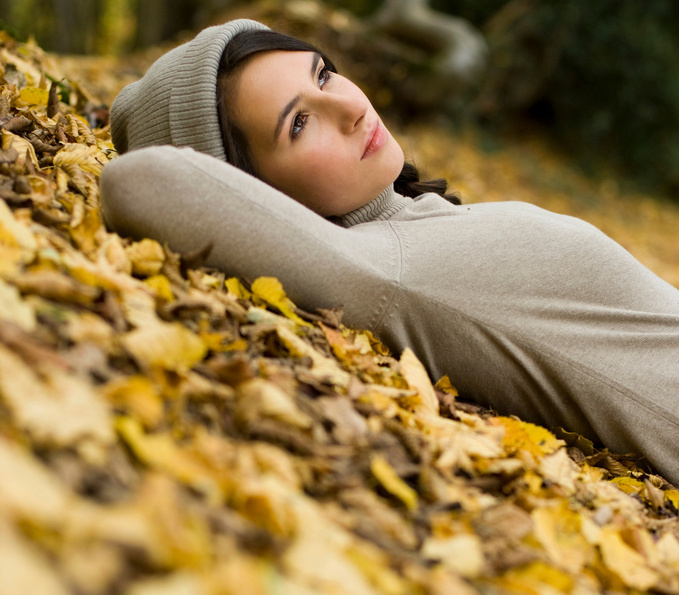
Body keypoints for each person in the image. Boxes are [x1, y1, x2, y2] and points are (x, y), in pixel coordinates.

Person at [100, 19, 679, 486]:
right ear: (253, 190)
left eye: (323, 76)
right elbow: (140, 180)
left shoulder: (416, 227)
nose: (349, 108)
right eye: (299, 124)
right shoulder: (380, 270)